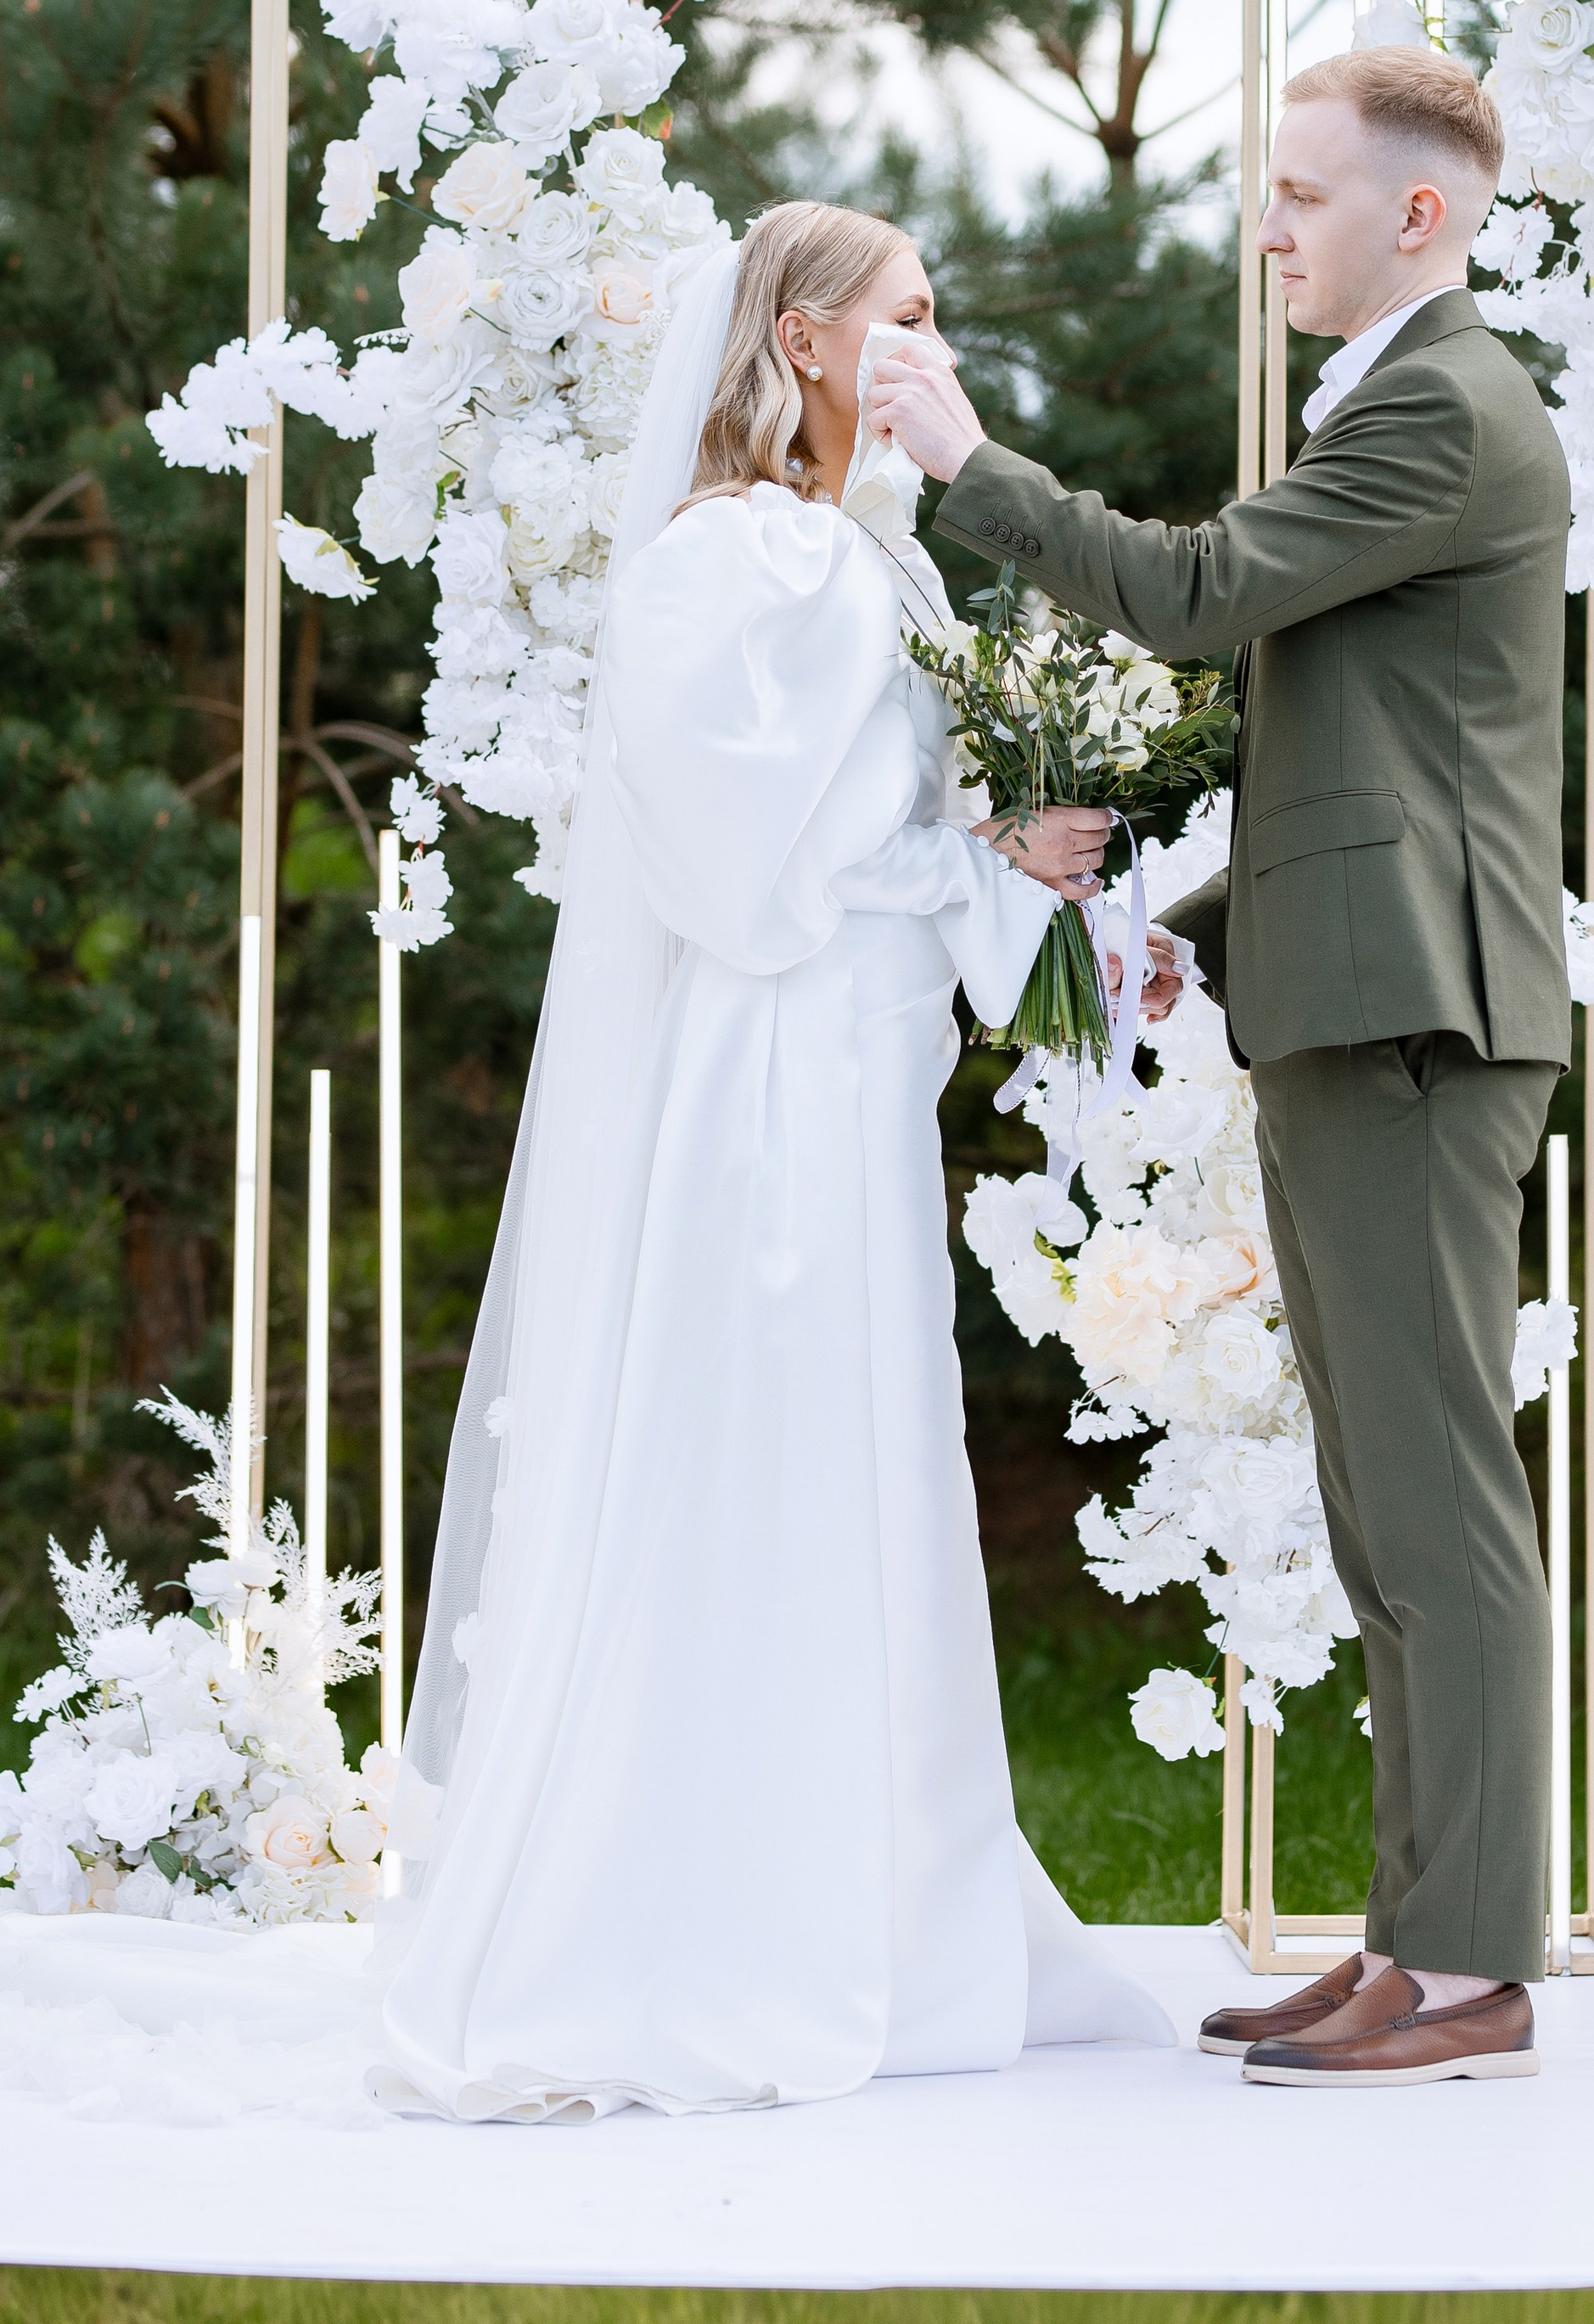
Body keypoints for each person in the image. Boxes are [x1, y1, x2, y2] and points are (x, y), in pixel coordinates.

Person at [371, 199, 1175, 2117]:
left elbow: (902, 847)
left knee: (860, 1458)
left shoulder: (877, 562)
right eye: (904, 312)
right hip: (765, 1085)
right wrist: (978, 870)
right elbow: (751, 875)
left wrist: (1043, 907)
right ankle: (713, 1924)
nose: (933, 340)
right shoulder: (730, 561)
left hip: (854, 1071)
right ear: (805, 342)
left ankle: (882, 1904)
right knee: (759, 1450)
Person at [867, 44, 1571, 2092]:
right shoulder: (1398, 394)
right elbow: (1362, 737)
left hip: (1418, 1017)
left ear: (1416, 217)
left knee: (1435, 1508)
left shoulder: (1442, 400)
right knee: (1385, 1506)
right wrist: (1196, 924)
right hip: (1356, 994)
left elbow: (1191, 601)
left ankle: (1463, 1977)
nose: (1266, 225)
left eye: (1300, 193)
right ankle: (1413, 1946)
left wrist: (963, 459)